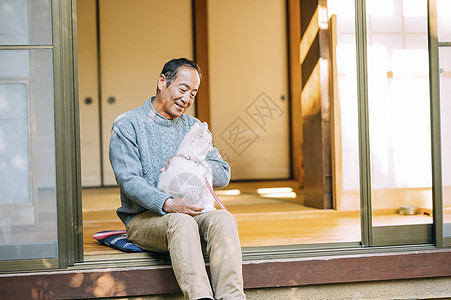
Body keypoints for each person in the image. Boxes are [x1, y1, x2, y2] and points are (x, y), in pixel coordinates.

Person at [109, 58, 246, 300]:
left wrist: (190, 165)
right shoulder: (128, 124)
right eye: (183, 89)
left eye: (193, 94)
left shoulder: (193, 127)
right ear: (162, 82)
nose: (187, 99)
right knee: (181, 222)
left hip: (193, 213)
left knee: (223, 219)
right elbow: (129, 180)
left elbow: (223, 173)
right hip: (145, 219)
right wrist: (170, 203)